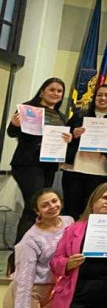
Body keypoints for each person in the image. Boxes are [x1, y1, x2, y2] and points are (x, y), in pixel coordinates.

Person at [7, 77, 70, 242]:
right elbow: (12, 133)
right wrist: (14, 124)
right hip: (27, 164)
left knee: (40, 207)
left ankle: (38, 247)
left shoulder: (61, 117)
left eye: (59, 91)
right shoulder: (28, 108)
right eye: (52, 89)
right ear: (42, 91)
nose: (55, 93)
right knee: (34, 206)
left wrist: (67, 139)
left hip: (48, 166)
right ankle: (19, 254)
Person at [49, 182, 107, 308]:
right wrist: (68, 263)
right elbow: (55, 261)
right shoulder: (73, 229)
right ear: (93, 201)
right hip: (76, 293)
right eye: (104, 197)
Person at [62, 84, 107, 220]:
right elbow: (63, 137)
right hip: (74, 169)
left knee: (90, 212)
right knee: (71, 211)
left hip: (98, 172)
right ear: (94, 97)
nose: (103, 98)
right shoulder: (79, 115)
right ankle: (70, 239)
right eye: (99, 95)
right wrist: (73, 134)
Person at [7, 190, 74, 308]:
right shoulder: (30, 239)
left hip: (57, 288)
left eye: (54, 201)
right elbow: (25, 278)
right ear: (37, 211)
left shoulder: (68, 221)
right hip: (33, 290)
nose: (52, 206)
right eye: (44, 205)